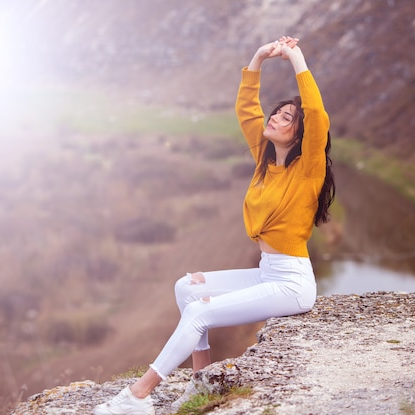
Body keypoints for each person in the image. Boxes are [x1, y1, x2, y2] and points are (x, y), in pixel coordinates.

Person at [92, 35, 335, 415]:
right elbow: (247, 109)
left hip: (291, 282)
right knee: (187, 288)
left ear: (301, 134)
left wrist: (296, 58)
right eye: (278, 112)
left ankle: (137, 396)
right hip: (267, 273)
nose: (275, 118)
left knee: (199, 311)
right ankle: (199, 382)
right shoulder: (265, 161)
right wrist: (257, 58)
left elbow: (317, 116)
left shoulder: (308, 171)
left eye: (288, 118)